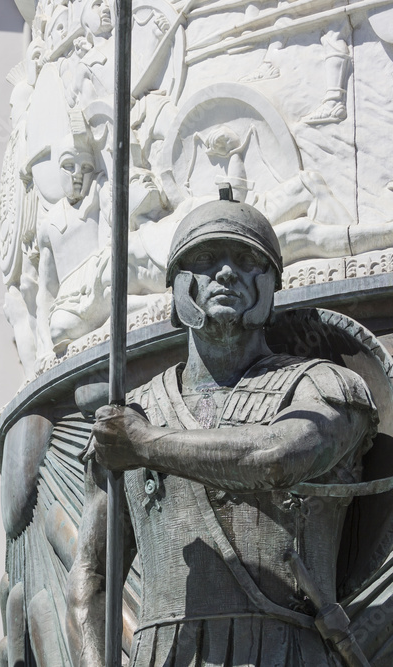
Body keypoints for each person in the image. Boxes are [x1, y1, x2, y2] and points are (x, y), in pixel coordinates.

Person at [65, 192, 380, 666]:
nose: (227, 272)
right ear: (177, 288)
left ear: (271, 286)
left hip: (285, 651)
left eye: (248, 259)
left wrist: (145, 444)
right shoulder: (131, 416)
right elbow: (90, 575)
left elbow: (276, 458)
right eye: (207, 258)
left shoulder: (322, 386)